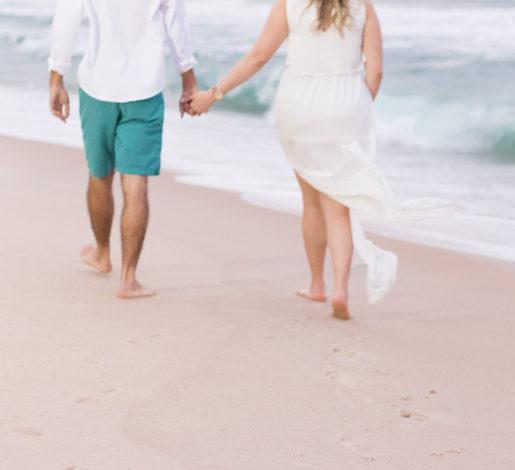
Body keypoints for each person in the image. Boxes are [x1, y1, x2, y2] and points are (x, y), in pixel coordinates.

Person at [189, 0, 453, 319]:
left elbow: (258, 56)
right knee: (338, 205)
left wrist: (213, 94)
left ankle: (317, 285)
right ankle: (341, 288)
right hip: (345, 107)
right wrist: (360, 104)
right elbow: (377, 69)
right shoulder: (363, 7)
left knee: (312, 201)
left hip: (299, 108)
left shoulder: (288, 4)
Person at [48, 0, 198, 298]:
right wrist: (189, 81)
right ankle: (128, 280)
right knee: (135, 184)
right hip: (144, 89)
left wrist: (56, 78)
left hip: (98, 86)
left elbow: (66, 15)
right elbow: (176, 26)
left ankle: (102, 254)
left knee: (100, 174)